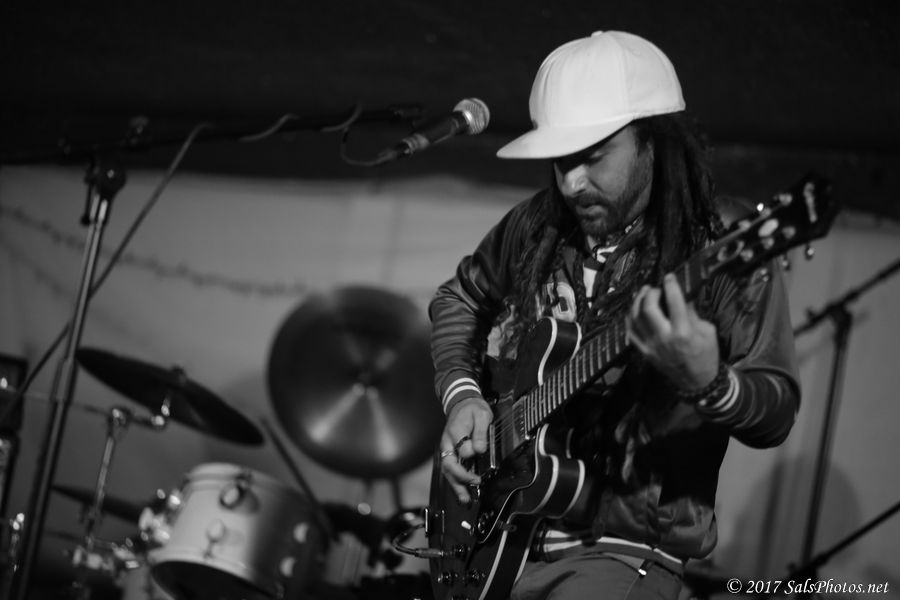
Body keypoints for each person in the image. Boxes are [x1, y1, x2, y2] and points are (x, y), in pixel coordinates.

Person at [428, 30, 799, 600]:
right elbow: (460, 298)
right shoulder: (538, 224)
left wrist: (711, 383)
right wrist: (463, 396)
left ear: (654, 140)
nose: (571, 182)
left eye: (592, 156)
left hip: (621, 554)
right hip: (502, 540)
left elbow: (776, 409)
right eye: (560, 160)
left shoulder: (718, 243)